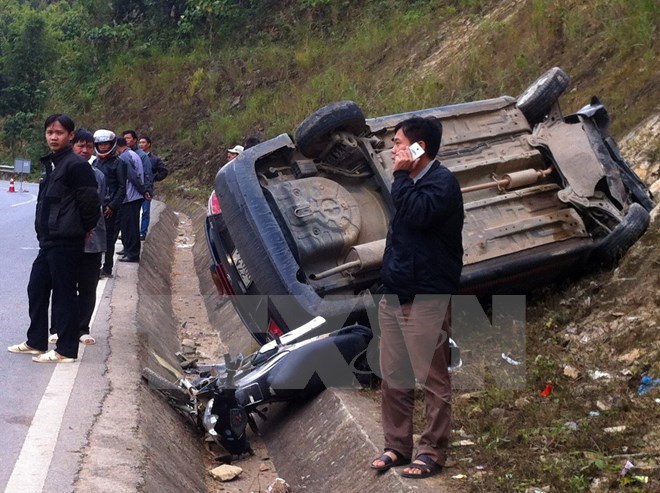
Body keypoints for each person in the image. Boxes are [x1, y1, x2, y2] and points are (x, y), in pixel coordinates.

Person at [370, 117, 464, 478]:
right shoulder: (407, 184)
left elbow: (418, 215)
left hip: (427, 294)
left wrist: (398, 177)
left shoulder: (442, 183)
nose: (392, 150)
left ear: (418, 147)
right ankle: (396, 445)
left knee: (432, 377)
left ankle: (432, 451)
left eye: (398, 143)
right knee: (394, 374)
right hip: (395, 292)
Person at [8, 114, 100, 363]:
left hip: (66, 240)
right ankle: (36, 341)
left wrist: (83, 227)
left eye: (59, 133)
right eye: (50, 132)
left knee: (65, 294)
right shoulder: (53, 164)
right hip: (49, 239)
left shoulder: (76, 165)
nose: (53, 137)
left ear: (70, 136)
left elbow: (91, 202)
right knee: (36, 288)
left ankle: (66, 350)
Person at [49, 129, 106, 346]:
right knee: (63, 285)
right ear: (72, 145)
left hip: (92, 239)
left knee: (88, 285)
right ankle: (58, 327)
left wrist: (87, 227)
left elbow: (95, 204)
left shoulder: (99, 176)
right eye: (80, 146)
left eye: (89, 147)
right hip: (67, 238)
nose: (84, 150)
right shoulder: (61, 171)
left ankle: (83, 328)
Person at [93, 129, 126, 278]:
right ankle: (94, 267)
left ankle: (107, 268)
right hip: (96, 205)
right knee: (94, 237)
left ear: (112, 145)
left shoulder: (119, 163)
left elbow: (122, 188)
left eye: (106, 144)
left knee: (108, 239)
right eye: (101, 144)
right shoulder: (95, 162)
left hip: (110, 207)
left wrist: (112, 206)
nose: (103, 147)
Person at [116, 136, 147, 262]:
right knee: (130, 225)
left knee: (130, 227)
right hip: (134, 196)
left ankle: (132, 254)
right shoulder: (132, 154)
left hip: (130, 197)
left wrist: (143, 190)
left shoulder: (124, 157)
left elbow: (132, 177)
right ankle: (129, 251)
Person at [138, 135, 168, 239]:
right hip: (135, 188)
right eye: (140, 142)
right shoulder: (135, 157)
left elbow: (164, 171)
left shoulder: (154, 159)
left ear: (149, 144)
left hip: (147, 188)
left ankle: (143, 232)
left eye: (143, 142)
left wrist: (154, 178)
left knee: (145, 211)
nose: (141, 144)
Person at [123, 130, 152, 240]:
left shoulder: (142, 156)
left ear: (134, 140)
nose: (126, 140)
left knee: (140, 215)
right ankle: (128, 246)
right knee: (128, 221)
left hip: (140, 192)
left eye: (128, 138)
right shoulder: (124, 154)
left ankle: (141, 234)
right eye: (124, 138)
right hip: (128, 193)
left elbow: (147, 173)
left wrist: (146, 190)